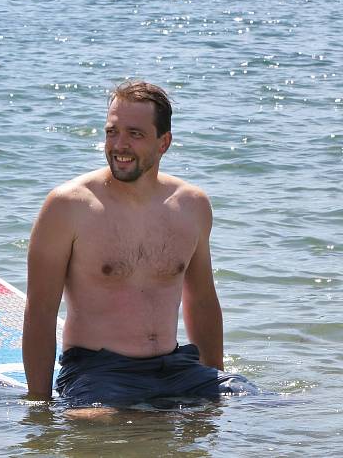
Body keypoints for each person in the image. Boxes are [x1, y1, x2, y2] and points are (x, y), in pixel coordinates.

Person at [22, 80, 257, 413]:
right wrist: (39, 406)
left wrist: (212, 386)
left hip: (175, 368)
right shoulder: (68, 206)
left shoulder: (192, 205)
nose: (120, 145)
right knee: (105, 425)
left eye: (135, 134)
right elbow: (40, 312)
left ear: (164, 143)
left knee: (259, 407)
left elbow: (202, 299)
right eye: (111, 132)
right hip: (98, 371)